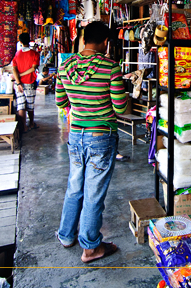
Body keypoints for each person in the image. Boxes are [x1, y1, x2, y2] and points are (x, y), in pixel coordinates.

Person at [56, 21, 127, 263]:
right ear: (105, 42)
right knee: (94, 193)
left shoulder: (65, 66)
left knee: (74, 187)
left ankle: (66, 235)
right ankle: (90, 246)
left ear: (83, 38)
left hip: (75, 136)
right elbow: (120, 107)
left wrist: (80, 106)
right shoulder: (110, 67)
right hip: (101, 137)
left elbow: (60, 102)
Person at [12, 33, 40, 131]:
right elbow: (33, 69)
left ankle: (23, 127)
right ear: (30, 40)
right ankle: (31, 123)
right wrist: (22, 74)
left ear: (20, 42)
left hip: (19, 84)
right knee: (30, 105)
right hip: (29, 82)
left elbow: (14, 69)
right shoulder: (35, 54)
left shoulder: (17, 54)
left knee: (21, 105)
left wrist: (18, 81)